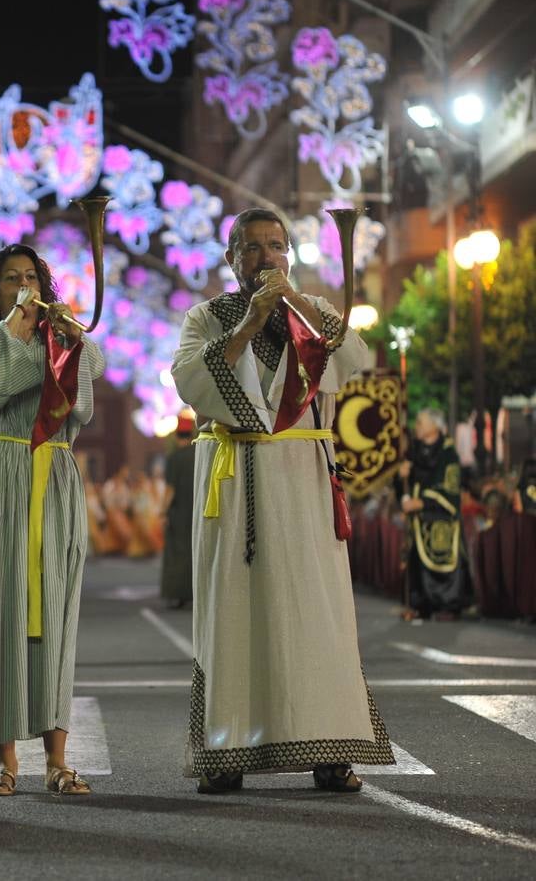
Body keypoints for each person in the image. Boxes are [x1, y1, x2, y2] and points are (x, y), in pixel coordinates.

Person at [171, 207, 394, 795]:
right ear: (231, 258)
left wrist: (294, 306)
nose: (266, 257)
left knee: (315, 610)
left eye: (276, 246)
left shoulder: (314, 312)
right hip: (235, 476)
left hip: (304, 481)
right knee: (234, 610)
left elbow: (355, 363)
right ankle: (228, 753)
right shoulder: (207, 316)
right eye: (252, 248)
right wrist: (248, 324)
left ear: (289, 256)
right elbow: (189, 380)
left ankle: (330, 749)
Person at [0, 243, 105, 797]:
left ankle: (58, 761)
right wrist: (22, 335)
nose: (23, 289)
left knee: (60, 618)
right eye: (11, 281)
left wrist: (70, 340)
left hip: (57, 476)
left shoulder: (65, 346)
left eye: (32, 279)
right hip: (3, 477)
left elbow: (83, 400)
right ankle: (6, 764)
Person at [400, 407, 469, 619]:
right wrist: (402, 476)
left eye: (421, 422)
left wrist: (421, 502)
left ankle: (448, 606)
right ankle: (421, 605)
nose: (417, 427)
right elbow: (406, 483)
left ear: (434, 427)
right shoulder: (413, 450)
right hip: (419, 521)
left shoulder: (448, 453)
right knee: (418, 563)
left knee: (443, 563)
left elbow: (449, 488)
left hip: (440, 517)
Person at [159, 412, 196, 608]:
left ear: (176, 435)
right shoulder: (199, 454)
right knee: (195, 550)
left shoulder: (174, 458)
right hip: (196, 511)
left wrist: (162, 512)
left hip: (178, 514)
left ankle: (179, 594)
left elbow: (170, 489)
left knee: (178, 553)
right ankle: (196, 592)